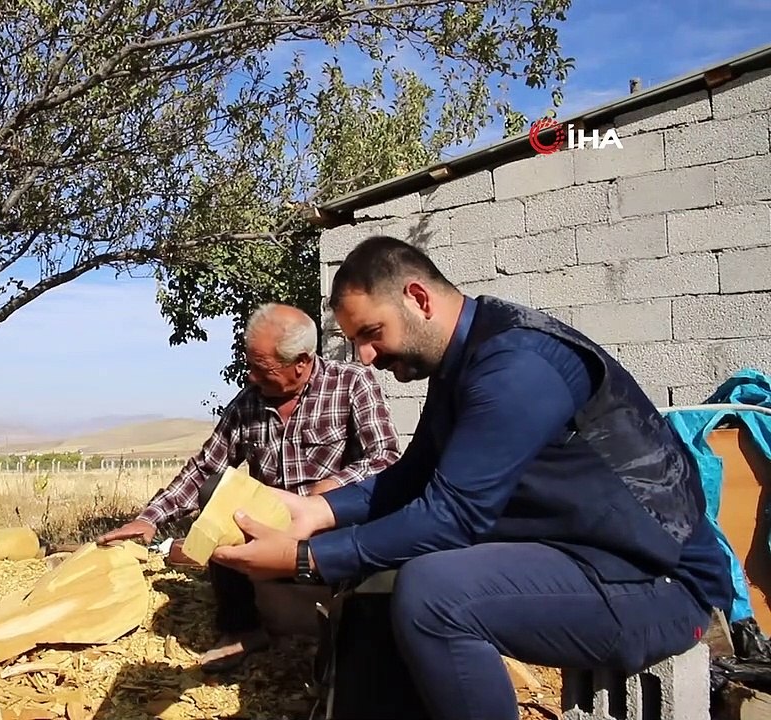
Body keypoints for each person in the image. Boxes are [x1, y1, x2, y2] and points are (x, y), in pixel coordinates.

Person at [209, 236, 735, 720]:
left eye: (370, 334)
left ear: (418, 298)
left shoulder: (516, 367)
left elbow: (453, 515)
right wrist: (318, 511)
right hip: (588, 557)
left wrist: (306, 559)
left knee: (434, 595)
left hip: (659, 586)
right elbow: (413, 476)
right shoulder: (464, 359)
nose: (365, 358)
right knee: (383, 576)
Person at [97, 302, 401, 671]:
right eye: (250, 366)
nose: (252, 377)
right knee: (215, 492)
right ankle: (242, 628)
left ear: (301, 362)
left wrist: (333, 489)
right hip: (267, 525)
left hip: (330, 524)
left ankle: (353, 627)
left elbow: (386, 457)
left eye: (263, 369)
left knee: (373, 513)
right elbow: (205, 468)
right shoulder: (247, 404)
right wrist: (150, 518)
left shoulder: (351, 383)